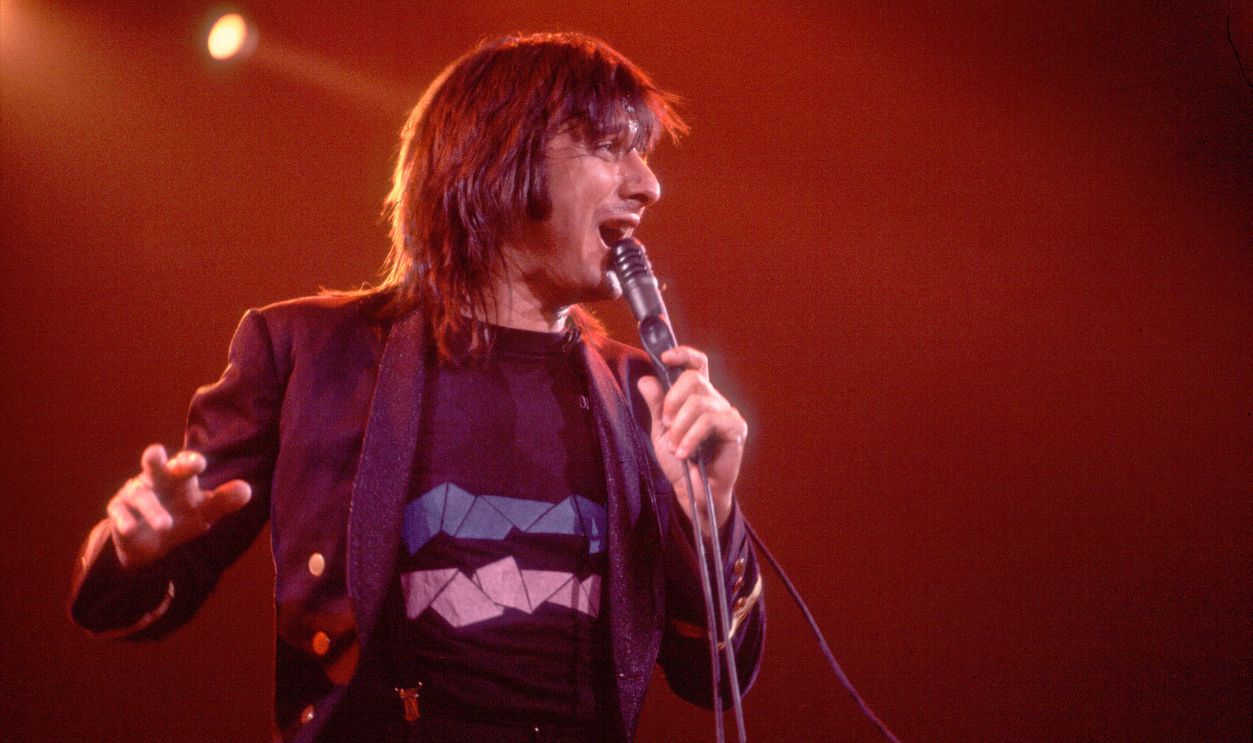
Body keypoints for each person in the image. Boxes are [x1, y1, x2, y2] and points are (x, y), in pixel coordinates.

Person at [69, 32, 764, 743]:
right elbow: (125, 603)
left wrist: (710, 516)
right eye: (609, 146)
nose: (648, 184)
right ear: (498, 158)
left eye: (642, 154)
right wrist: (135, 547)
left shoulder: (640, 391)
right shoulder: (310, 352)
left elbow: (714, 680)